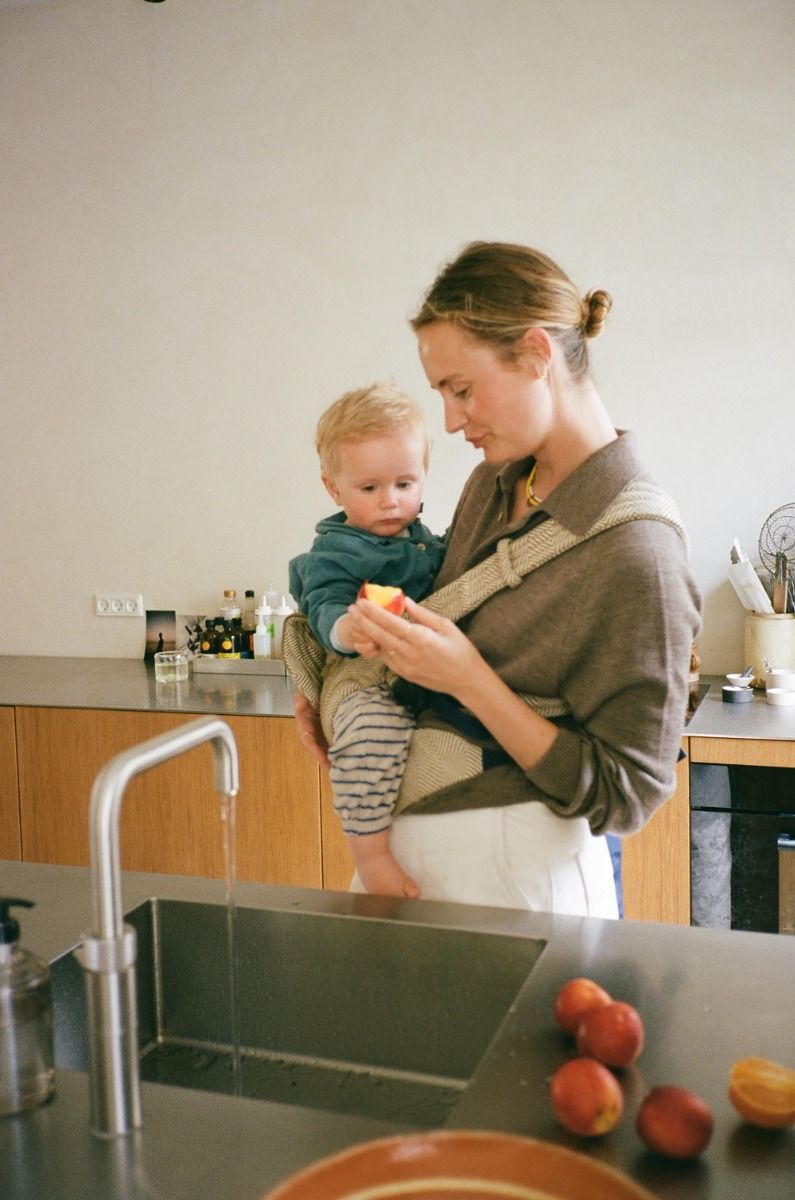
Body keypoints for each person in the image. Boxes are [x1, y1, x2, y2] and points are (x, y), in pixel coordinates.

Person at [295, 241, 701, 917]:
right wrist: (336, 680)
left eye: (461, 390)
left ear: (537, 355)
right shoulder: (493, 484)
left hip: (519, 888)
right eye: (441, 395)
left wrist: (470, 682)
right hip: (417, 866)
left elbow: (625, 795)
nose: (451, 421)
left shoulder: (639, 554)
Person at [288, 383, 446, 898]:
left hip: (419, 667)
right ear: (334, 489)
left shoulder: (426, 541)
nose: (390, 501)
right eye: (370, 488)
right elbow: (323, 605)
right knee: (368, 732)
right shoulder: (336, 552)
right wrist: (347, 629)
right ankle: (370, 853)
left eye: (405, 483)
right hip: (360, 669)